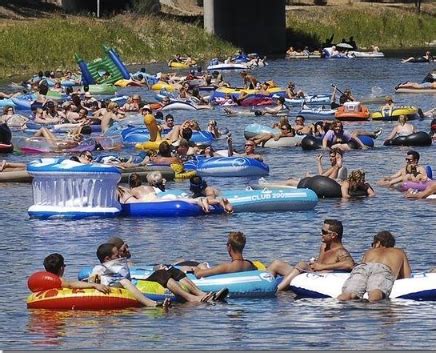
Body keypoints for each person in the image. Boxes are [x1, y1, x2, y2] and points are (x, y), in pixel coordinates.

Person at [103, 237, 227, 303]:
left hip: (139, 278)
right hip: (135, 284)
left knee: (171, 269)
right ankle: (191, 298)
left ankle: (202, 294)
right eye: (122, 251)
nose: (126, 252)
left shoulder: (121, 263)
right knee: (162, 273)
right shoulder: (105, 268)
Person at [267, 219, 355, 291]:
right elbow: (319, 264)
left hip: (321, 279)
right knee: (276, 264)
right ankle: (263, 285)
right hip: (312, 274)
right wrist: (315, 264)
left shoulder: (341, 252)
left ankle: (275, 291)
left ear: (333, 235)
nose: (321, 234)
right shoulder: (324, 246)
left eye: (324, 232)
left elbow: (349, 264)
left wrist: (322, 267)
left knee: (302, 265)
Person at [337, 231, 411, 302]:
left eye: (373, 244)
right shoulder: (399, 252)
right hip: (382, 270)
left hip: (363, 267)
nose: (372, 246)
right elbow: (407, 275)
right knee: (375, 294)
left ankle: (339, 303)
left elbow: (363, 267)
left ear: (378, 243)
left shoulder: (369, 252)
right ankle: (370, 310)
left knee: (349, 294)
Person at [89, 243, 170, 308]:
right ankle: (151, 303)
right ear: (107, 259)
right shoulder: (99, 268)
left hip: (119, 286)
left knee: (127, 281)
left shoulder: (118, 267)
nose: (120, 257)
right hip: (109, 287)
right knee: (125, 281)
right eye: (117, 256)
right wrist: (96, 282)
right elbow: (92, 281)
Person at [187, 231, 257, 278]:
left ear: (229, 246)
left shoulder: (226, 267)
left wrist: (196, 269)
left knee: (201, 265)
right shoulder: (249, 265)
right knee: (204, 266)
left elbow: (199, 274)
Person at [273, 148, 347, 187]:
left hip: (322, 185)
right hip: (322, 184)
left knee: (290, 182)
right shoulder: (334, 168)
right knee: (291, 179)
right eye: (330, 156)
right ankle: (272, 184)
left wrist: (309, 177)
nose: (330, 158)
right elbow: (322, 174)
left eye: (333, 157)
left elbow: (322, 177)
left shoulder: (335, 168)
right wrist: (319, 161)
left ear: (338, 158)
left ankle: (269, 185)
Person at [43, 253, 110, 294]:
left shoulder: (44, 281)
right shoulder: (59, 281)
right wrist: (94, 285)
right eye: (64, 265)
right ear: (61, 268)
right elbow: (70, 284)